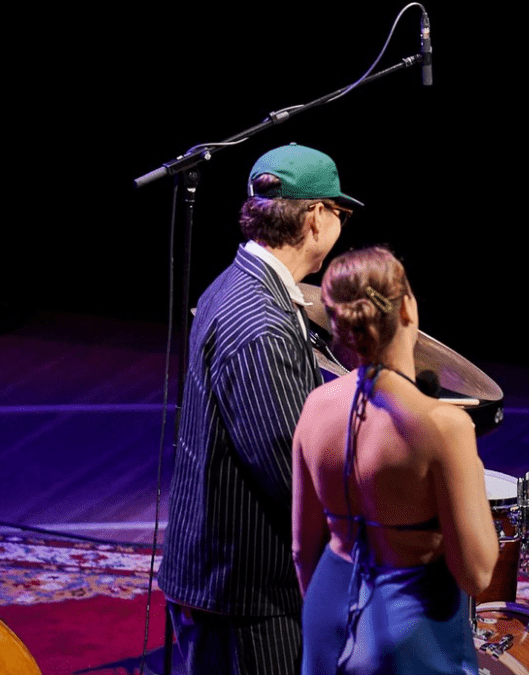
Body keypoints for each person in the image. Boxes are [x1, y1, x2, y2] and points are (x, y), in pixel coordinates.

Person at [158, 143, 360, 675]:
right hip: (244, 594)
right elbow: (289, 471)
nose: (340, 226)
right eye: (339, 213)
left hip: (224, 577)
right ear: (315, 217)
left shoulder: (236, 281)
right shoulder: (261, 324)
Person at [291, 246, 498, 675]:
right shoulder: (444, 426)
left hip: (327, 613)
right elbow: (476, 573)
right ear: (407, 308)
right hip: (410, 632)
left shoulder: (315, 406)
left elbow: (302, 549)